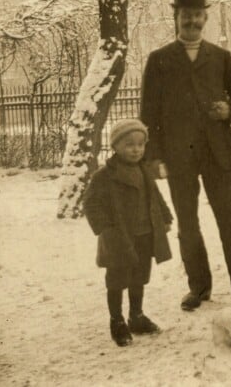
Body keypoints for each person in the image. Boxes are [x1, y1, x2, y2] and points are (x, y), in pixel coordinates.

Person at [140, 0, 231, 311]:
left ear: (205, 18)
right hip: (178, 157)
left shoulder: (221, 58)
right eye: (186, 16)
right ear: (177, 17)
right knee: (188, 225)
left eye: (198, 15)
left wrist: (230, 111)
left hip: (219, 154)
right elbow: (149, 115)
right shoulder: (158, 61)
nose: (192, 22)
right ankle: (198, 289)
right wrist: (154, 157)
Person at [84, 119, 173, 347]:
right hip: (119, 238)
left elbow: (155, 196)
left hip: (144, 234)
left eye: (141, 144)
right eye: (129, 144)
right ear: (115, 147)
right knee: (117, 279)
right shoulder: (104, 176)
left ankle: (136, 316)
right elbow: (91, 204)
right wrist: (106, 229)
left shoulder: (144, 170)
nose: (136, 149)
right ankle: (117, 321)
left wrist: (165, 217)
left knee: (139, 277)